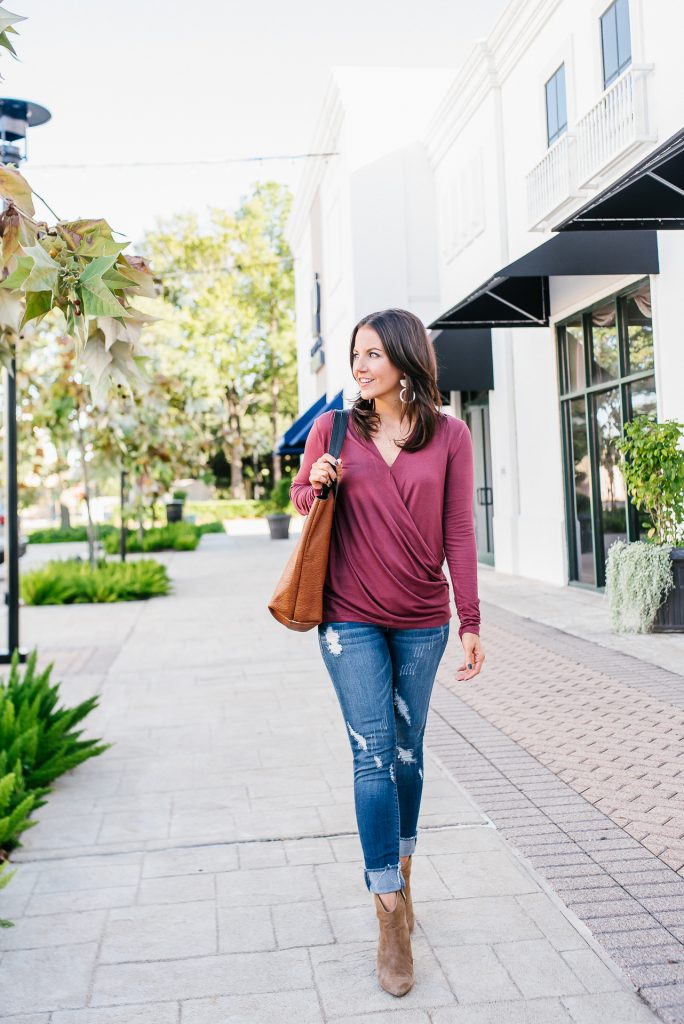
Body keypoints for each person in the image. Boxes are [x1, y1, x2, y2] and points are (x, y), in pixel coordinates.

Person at [289, 308, 485, 997]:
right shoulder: (334, 429)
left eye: (373, 354)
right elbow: (301, 499)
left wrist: (471, 619)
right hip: (349, 618)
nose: (361, 366)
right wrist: (317, 486)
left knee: (408, 752)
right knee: (372, 752)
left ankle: (403, 869)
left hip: (424, 620)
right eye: (356, 355)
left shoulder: (452, 435)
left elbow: (459, 530)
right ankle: (388, 912)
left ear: (405, 359)